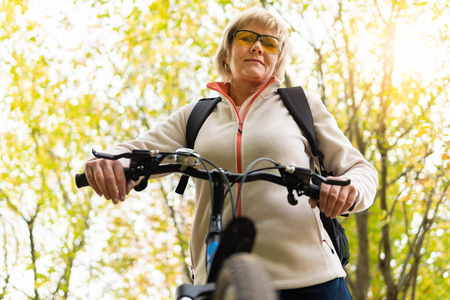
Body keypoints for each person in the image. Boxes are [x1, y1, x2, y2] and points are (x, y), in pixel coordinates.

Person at [83, 7, 378, 299]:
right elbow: (129, 152)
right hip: (224, 285)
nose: (257, 47)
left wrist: (348, 190)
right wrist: (107, 164)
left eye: (270, 42)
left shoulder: (301, 106)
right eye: (246, 37)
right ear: (227, 51)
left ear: (277, 61)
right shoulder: (197, 116)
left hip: (312, 281)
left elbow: (360, 172)